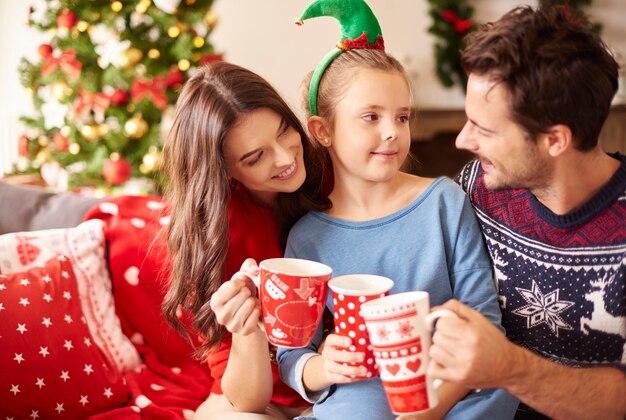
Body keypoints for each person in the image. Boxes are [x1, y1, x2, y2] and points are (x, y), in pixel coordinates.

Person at [275, 1, 519, 419]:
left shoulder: (443, 203)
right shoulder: (307, 239)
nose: (392, 132)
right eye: (370, 116)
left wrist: (432, 408)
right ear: (323, 130)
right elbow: (291, 356)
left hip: (453, 403)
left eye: (402, 117)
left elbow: (484, 326)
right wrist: (321, 366)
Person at [427, 5, 626, 420]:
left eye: (484, 129)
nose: (463, 140)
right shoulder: (478, 188)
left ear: (554, 140)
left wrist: (507, 367)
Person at [161, 61, 329, 419]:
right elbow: (247, 401)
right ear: (223, 171)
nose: (285, 158)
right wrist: (246, 329)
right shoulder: (213, 234)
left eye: (284, 131)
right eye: (255, 157)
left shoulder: (332, 174)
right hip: (268, 400)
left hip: (344, 385)